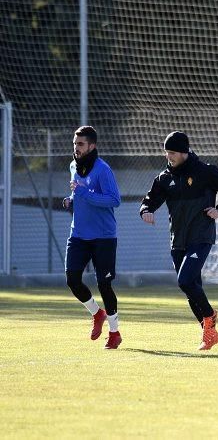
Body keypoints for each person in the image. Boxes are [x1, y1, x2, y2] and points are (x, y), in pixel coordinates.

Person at [140, 131, 218, 351]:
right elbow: (150, 199)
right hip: (178, 239)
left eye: (173, 152)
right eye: (166, 152)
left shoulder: (205, 172)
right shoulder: (164, 178)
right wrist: (146, 210)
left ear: (184, 152)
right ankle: (208, 333)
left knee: (185, 281)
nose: (169, 157)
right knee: (192, 287)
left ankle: (210, 316)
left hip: (201, 237)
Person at [63, 126, 123, 349]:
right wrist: (70, 199)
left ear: (92, 146)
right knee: (72, 280)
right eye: (74, 143)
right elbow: (77, 191)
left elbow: (114, 200)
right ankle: (97, 313)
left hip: (103, 236)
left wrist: (82, 193)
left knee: (104, 284)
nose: (76, 148)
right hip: (78, 233)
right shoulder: (73, 165)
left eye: (80, 144)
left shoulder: (103, 169)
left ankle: (115, 333)